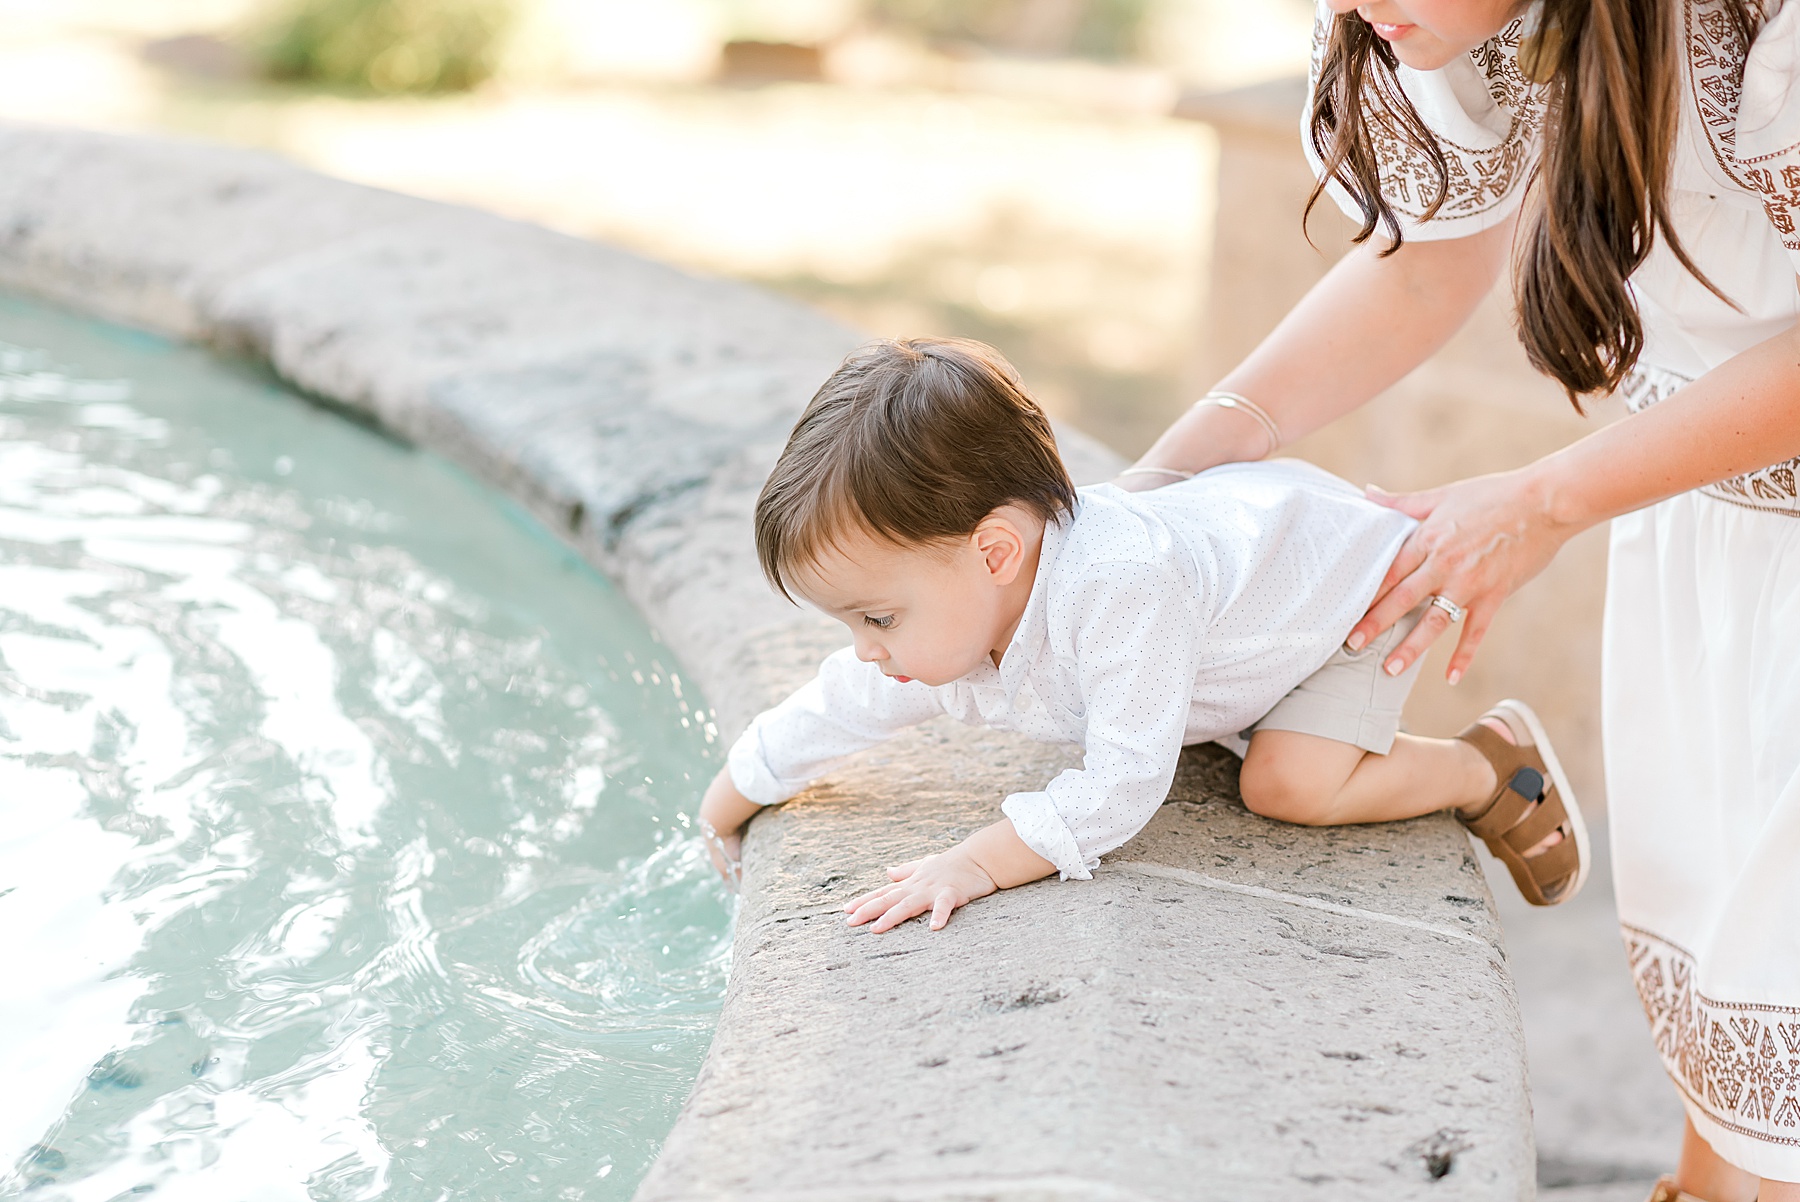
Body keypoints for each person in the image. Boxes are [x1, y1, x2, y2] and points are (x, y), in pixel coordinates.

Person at [1116, 0, 1800, 1196]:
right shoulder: (1451, 18)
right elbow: (1427, 260)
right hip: (1706, 517)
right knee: (1722, 1005)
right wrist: (1153, 493)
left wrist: (1542, 498)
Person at [695, 336, 1586, 935]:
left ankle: (1491, 767)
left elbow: (1124, 784)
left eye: (876, 619)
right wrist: (734, 793)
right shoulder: (964, 603)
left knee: (1286, 782)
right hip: (1235, 607)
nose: (865, 649)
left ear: (995, 551)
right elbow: (843, 702)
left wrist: (976, 863)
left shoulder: (1118, 590)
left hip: (1341, 598)